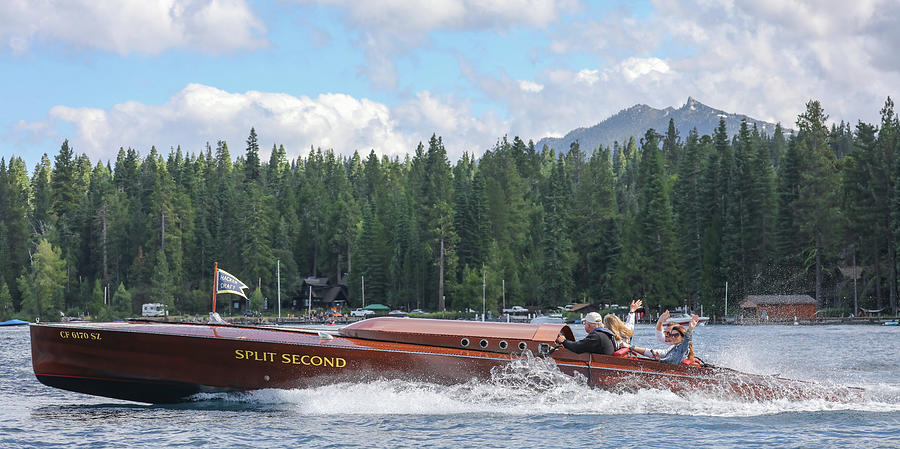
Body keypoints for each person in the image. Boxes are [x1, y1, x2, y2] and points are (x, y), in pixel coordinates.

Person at [626, 315, 700, 364]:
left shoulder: (682, 347)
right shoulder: (673, 347)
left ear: (682, 336)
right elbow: (669, 360)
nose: (673, 337)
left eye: (676, 335)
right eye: (672, 335)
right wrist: (659, 360)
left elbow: (687, 339)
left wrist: (690, 328)